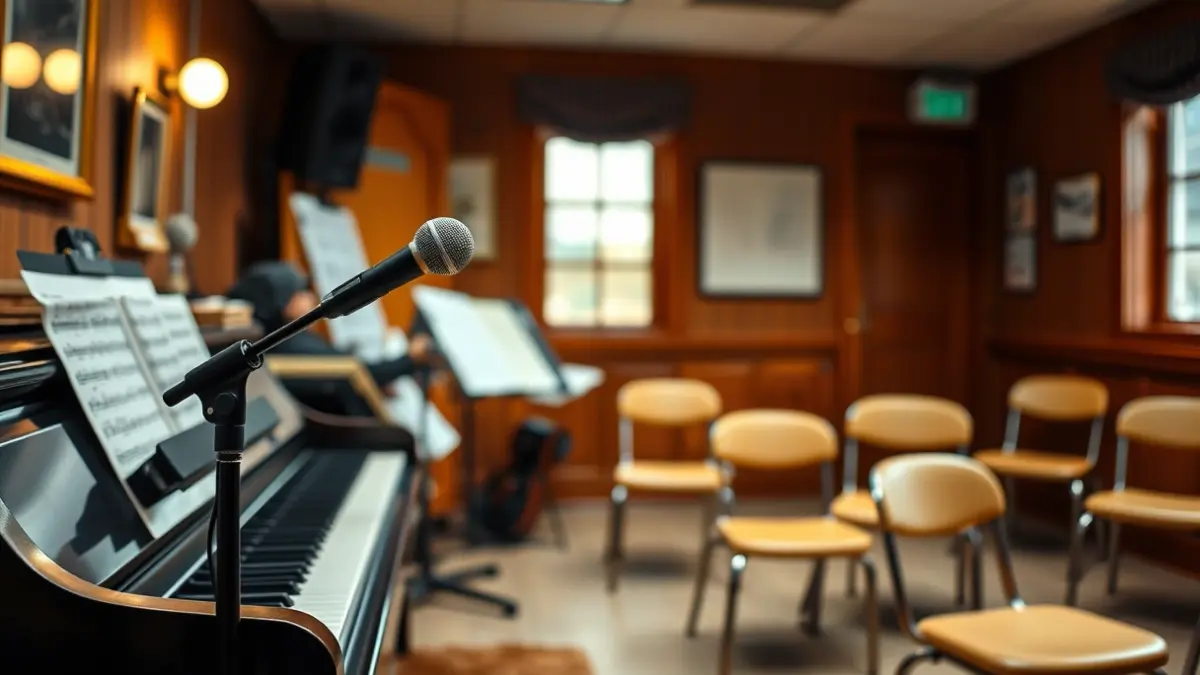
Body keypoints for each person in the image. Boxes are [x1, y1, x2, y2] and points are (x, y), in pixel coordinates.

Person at [226, 261, 433, 415]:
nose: (311, 299)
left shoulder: (296, 340)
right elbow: (363, 371)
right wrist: (410, 358)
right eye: (302, 292)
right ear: (282, 301)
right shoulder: (294, 345)